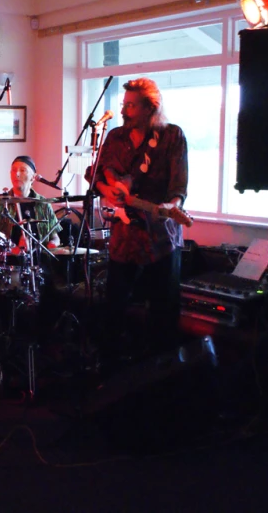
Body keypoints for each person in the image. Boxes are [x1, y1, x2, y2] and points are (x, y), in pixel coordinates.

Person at [90, 77, 188, 361]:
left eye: (131, 106)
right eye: (124, 104)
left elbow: (178, 187)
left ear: (150, 108)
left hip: (160, 240)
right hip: (124, 238)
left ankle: (163, 380)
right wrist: (108, 191)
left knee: (163, 313)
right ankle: (112, 376)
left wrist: (171, 206)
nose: (124, 110)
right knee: (114, 310)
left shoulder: (172, 136)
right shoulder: (115, 137)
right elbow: (95, 175)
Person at [0, 156, 61, 255]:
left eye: (23, 170)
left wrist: (53, 243)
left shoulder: (44, 204)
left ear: (33, 177)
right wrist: (11, 247)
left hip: (39, 261)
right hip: (8, 261)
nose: (17, 174)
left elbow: (55, 236)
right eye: (13, 170)